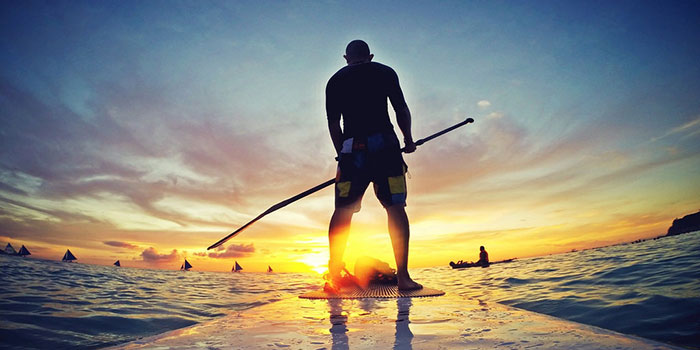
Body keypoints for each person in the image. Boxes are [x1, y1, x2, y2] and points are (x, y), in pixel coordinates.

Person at [325, 40, 422, 291]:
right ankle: (403, 277)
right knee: (395, 207)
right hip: (386, 148)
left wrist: (341, 155)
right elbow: (401, 108)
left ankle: (334, 276)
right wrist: (408, 140)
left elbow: (334, 125)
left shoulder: (334, 80)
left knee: (343, 210)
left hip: (351, 149)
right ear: (369, 56)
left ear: (346, 57)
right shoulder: (385, 71)